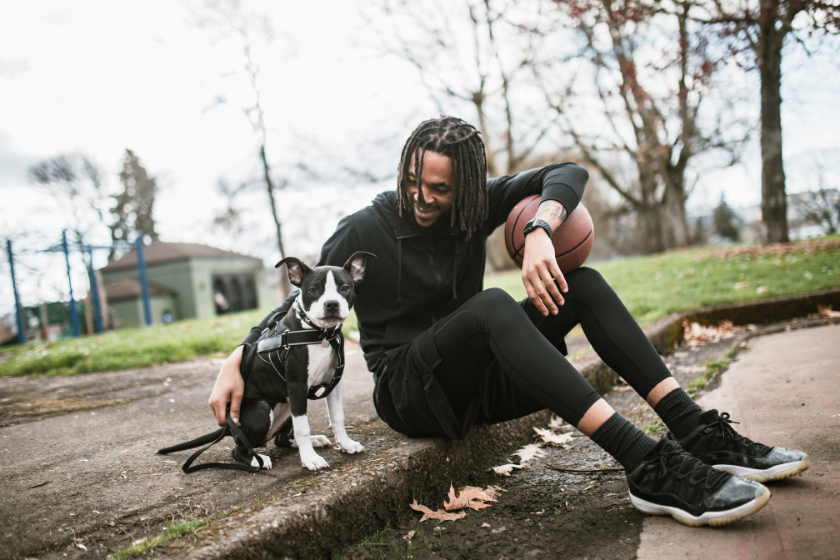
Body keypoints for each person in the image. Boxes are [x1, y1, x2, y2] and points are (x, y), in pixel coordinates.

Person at [209, 116, 809, 527]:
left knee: (586, 286)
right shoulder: (362, 229)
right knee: (493, 304)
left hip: (478, 378)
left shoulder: (477, 206)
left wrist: (543, 229)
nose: (422, 196)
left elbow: (569, 172)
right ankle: (646, 465)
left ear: (466, 186)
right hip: (412, 391)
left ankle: (695, 431)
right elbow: (308, 300)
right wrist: (239, 357)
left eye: (438, 189)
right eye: (413, 180)